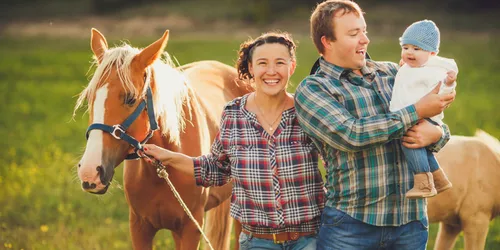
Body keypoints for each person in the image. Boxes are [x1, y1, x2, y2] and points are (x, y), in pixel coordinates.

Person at [294, 1, 456, 249]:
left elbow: (434, 122)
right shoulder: (314, 89)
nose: (365, 40)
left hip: (410, 223)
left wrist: (436, 133)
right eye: (353, 33)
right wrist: (417, 111)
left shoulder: (393, 73)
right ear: (327, 41)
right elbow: (352, 135)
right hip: (351, 226)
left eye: (364, 30)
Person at [142, 32, 325, 250]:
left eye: (280, 63)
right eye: (262, 63)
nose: (271, 71)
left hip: (308, 241)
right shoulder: (234, 114)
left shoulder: (307, 112)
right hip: (257, 243)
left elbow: (336, 163)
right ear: (250, 68)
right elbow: (216, 169)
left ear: (291, 67)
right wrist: (170, 157)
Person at [390, 19, 458, 199]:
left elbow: (443, 91)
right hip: (413, 115)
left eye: (416, 49)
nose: (409, 52)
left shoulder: (432, 71)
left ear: (432, 53)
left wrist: (449, 83)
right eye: (406, 48)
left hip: (423, 116)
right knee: (422, 148)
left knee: (410, 144)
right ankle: (439, 179)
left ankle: (423, 183)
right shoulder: (408, 68)